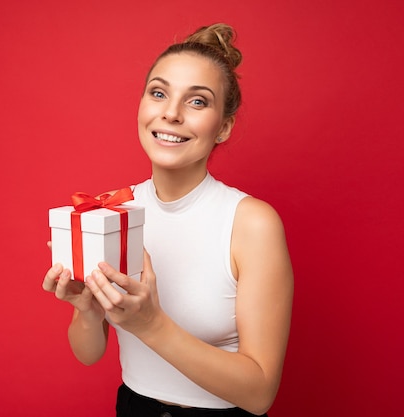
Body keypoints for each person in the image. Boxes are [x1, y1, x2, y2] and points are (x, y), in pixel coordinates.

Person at [42, 23, 293, 417]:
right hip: (133, 408)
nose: (171, 114)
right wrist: (86, 309)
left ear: (223, 127)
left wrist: (151, 324)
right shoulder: (114, 211)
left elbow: (260, 394)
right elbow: (88, 354)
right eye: (159, 93)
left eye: (197, 102)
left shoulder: (251, 223)